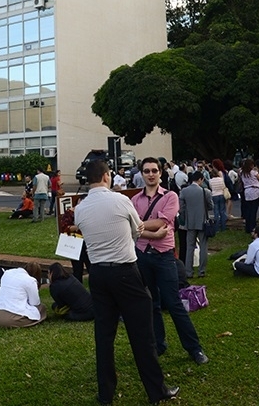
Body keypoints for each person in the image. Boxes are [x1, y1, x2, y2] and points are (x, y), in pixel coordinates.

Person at [73, 159, 180, 405]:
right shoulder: (121, 200)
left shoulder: (81, 208)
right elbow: (137, 230)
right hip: (125, 271)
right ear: (107, 176)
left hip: (98, 275)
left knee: (104, 336)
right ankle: (156, 390)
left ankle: (106, 394)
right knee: (142, 334)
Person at [133, 157, 209, 364]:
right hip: (142, 256)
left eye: (154, 171)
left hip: (164, 257)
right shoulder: (135, 200)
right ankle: (159, 345)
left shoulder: (170, 196)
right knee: (151, 304)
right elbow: (134, 228)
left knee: (174, 303)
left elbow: (162, 222)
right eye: (146, 171)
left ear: (160, 173)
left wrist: (140, 227)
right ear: (141, 174)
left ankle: (195, 349)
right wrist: (151, 232)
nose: (150, 174)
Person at [0, 263, 47, 328]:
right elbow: (35, 303)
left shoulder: (7, 273)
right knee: (41, 308)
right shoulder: (31, 280)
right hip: (10, 320)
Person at [179, 171, 213, 278]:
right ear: (201, 179)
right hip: (202, 221)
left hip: (189, 223)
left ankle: (188, 271)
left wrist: (184, 219)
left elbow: (181, 208)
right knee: (203, 246)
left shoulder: (184, 191)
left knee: (190, 247)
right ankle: (201, 271)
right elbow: (211, 206)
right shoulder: (205, 191)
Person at [239, 158, 259, 233]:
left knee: (248, 210)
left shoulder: (242, 172)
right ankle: (252, 226)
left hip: (247, 191)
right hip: (255, 190)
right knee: (254, 209)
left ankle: (247, 226)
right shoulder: (254, 172)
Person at [208, 168, 227, 232]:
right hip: (221, 194)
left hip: (214, 195)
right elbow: (223, 186)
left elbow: (211, 187)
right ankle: (223, 227)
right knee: (222, 211)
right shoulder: (221, 179)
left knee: (216, 212)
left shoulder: (210, 181)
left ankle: (216, 228)